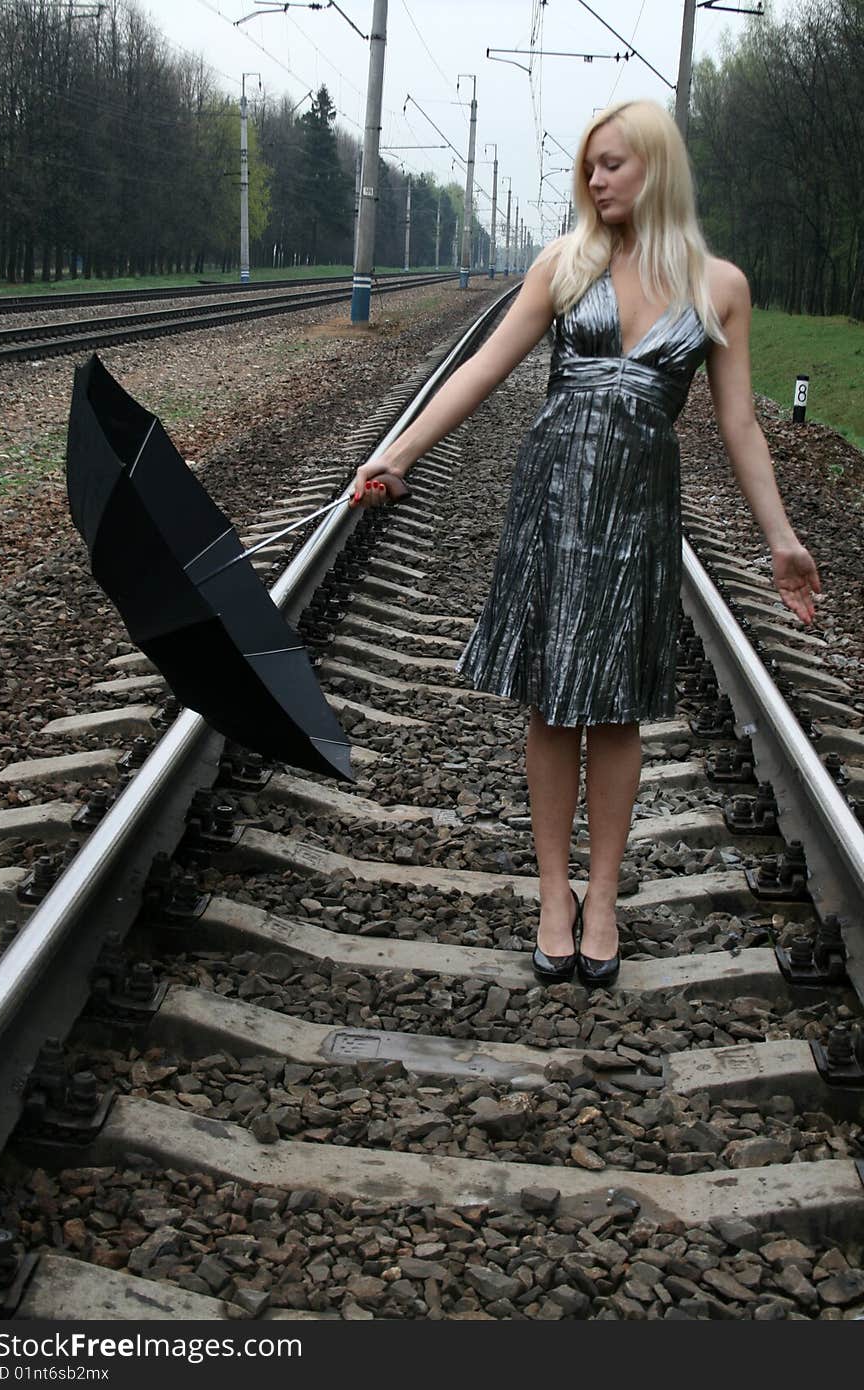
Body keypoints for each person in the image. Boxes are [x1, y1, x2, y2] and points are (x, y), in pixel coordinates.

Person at [351, 98, 821, 990]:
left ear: (657, 167)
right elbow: (483, 370)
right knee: (552, 699)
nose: (596, 179)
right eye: (589, 166)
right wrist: (395, 456)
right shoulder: (566, 266)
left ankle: (603, 897)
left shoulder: (720, 286)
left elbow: (738, 425)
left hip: (641, 510)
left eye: (613, 163)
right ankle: (553, 893)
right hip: (556, 498)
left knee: (614, 709)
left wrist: (781, 540)